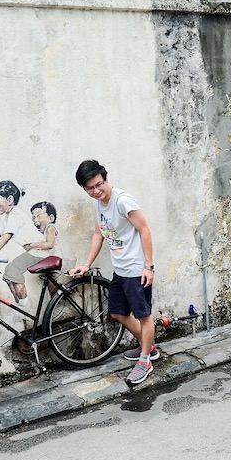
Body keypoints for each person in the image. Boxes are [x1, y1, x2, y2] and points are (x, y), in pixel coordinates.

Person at [68, 159, 157, 385]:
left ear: (105, 179)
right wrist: (86, 264)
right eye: (90, 188)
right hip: (120, 269)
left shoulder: (122, 200)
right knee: (117, 312)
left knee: (143, 316)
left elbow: (144, 230)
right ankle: (149, 347)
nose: (96, 191)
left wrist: (148, 266)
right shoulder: (98, 204)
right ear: (84, 188)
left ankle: (145, 360)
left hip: (136, 269)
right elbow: (99, 234)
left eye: (99, 184)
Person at [0, 180, 44, 302]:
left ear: (9, 200)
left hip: (39, 251)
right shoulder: (10, 215)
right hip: (34, 251)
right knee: (9, 275)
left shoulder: (16, 215)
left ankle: (25, 307)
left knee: (12, 272)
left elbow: (6, 236)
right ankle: (19, 303)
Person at [24, 201, 77, 274]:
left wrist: (31, 245)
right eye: (33, 217)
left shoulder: (50, 227)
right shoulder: (45, 231)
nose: (35, 220)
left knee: (51, 277)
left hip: (65, 261)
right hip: (59, 260)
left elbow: (49, 245)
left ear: (51, 218)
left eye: (39, 216)